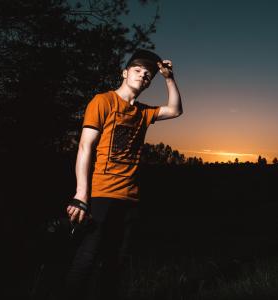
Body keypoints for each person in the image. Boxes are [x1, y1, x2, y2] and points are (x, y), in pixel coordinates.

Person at [63, 49, 183, 299]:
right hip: (102, 193)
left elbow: (175, 110)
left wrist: (169, 78)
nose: (143, 76)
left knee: (115, 263)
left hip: (130, 198)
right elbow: (85, 147)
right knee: (87, 257)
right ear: (125, 72)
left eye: (148, 75)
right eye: (138, 71)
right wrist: (81, 194)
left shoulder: (143, 112)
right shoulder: (103, 101)